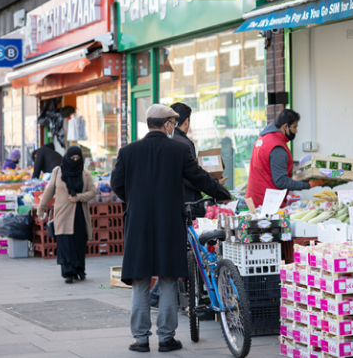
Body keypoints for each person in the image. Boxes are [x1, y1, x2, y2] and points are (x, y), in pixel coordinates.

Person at [111, 104, 231, 354]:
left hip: (139, 223)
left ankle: (141, 339)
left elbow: (117, 185)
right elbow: (199, 177)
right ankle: (166, 338)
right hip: (169, 222)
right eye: (173, 123)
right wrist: (222, 193)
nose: (173, 127)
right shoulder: (179, 149)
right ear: (167, 124)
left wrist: (135, 201)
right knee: (168, 277)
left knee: (140, 279)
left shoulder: (128, 151)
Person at [148, 102, 227, 310]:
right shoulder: (183, 144)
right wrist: (216, 186)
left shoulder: (165, 143)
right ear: (186, 121)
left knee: (178, 249)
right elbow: (192, 177)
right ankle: (159, 294)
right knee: (186, 249)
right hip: (188, 204)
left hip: (169, 205)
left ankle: (163, 294)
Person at [37, 146, 96, 284]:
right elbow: (49, 191)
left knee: (79, 243)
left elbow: (92, 192)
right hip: (63, 215)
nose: (75, 161)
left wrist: (79, 197)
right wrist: (41, 208)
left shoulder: (85, 174)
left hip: (80, 215)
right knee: (65, 243)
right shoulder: (57, 172)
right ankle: (68, 272)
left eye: (78, 158)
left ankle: (79, 269)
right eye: (72, 158)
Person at [246, 109, 324, 207]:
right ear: (285, 126)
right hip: (266, 204)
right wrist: (308, 185)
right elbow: (280, 181)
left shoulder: (263, 139)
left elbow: (267, 167)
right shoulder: (277, 146)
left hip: (255, 199)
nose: (296, 131)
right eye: (294, 127)